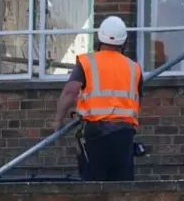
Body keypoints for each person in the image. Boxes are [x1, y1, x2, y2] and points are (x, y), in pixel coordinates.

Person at [52, 16, 143, 181]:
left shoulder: (88, 62)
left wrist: (58, 121)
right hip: (124, 135)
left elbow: (70, 92)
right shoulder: (134, 68)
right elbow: (132, 101)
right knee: (122, 189)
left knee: (93, 187)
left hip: (97, 134)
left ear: (99, 38)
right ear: (124, 42)